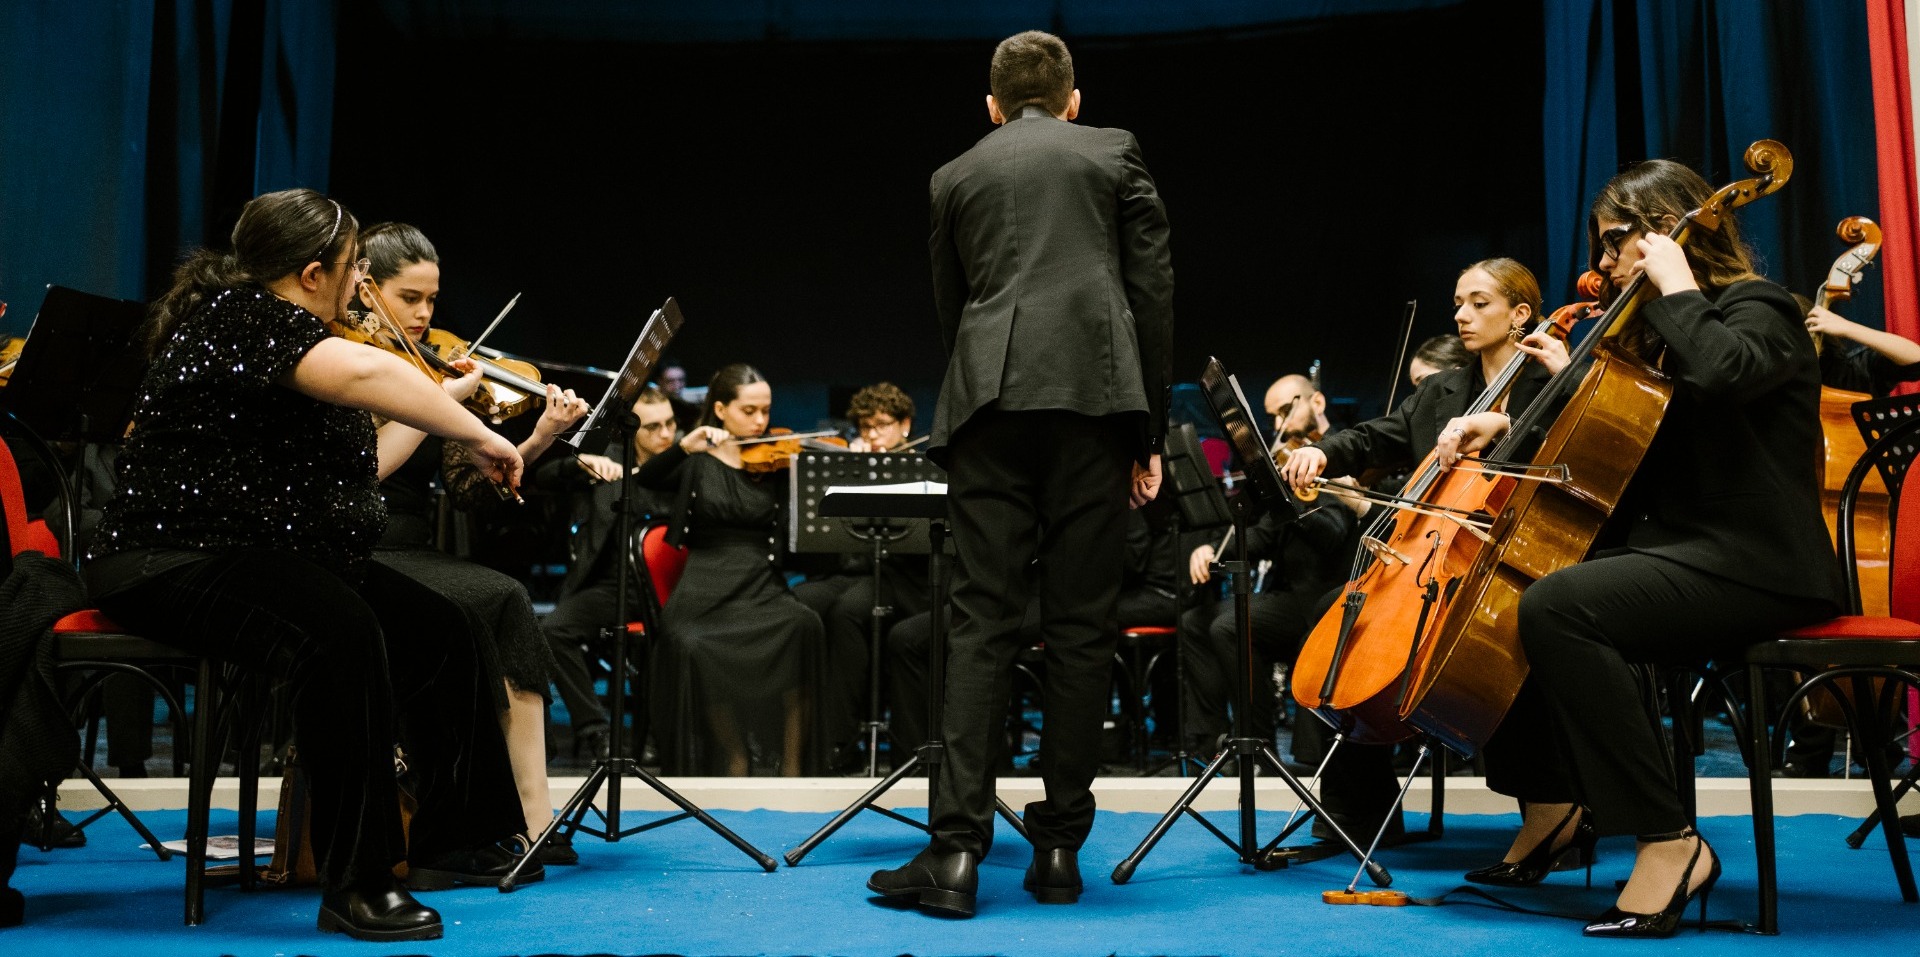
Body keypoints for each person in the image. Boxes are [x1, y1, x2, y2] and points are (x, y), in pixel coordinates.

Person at [82, 189, 532, 942]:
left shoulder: (301, 337)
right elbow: (364, 379)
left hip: (261, 552)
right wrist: (477, 429)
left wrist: (437, 412)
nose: (363, 287)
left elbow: (364, 473)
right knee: (339, 632)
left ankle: (455, 840)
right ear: (315, 272)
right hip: (167, 558)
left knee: (437, 625)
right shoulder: (243, 318)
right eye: (358, 269)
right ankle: (356, 882)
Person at [1427, 160, 1837, 938]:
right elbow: (1617, 457)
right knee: (1517, 596)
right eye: (1604, 245)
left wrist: (1678, 284)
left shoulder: (1759, 308)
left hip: (1760, 565)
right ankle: (1558, 804)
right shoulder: (1652, 339)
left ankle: (1669, 840)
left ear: (1679, 227)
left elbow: (1725, 372)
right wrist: (1515, 428)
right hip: (1687, 554)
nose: (1605, 264)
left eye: (1618, 242)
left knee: (1560, 606)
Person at [867, 29, 1172, 917]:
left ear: (991, 106)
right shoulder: (1115, 151)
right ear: (1074, 99)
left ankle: (956, 856)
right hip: (1095, 404)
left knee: (978, 626)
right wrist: (1145, 429)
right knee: (1082, 629)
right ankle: (1060, 853)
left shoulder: (954, 173)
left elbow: (950, 306)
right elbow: (1152, 292)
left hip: (989, 406)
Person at [1281, 258, 1568, 845]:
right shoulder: (1442, 389)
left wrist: (1508, 422)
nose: (1462, 314)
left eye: (1479, 303)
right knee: (1341, 614)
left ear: (1520, 314)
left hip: (1514, 558)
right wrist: (1323, 454)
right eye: (1458, 303)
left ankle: (1553, 810)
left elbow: (1564, 459)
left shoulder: (1552, 381)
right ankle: (1355, 809)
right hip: (1435, 558)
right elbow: (1373, 437)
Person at [355, 222, 601, 864]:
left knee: (507, 598)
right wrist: (433, 398)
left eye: (432, 300)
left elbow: (475, 486)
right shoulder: (347, 360)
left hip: (410, 545)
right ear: (366, 289)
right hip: (356, 543)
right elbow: (361, 472)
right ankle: (483, 812)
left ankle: (532, 815)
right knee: (487, 598)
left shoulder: (429, 366)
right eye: (409, 298)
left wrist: (542, 435)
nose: (426, 315)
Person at [634, 364, 823, 776]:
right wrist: (684, 446)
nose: (760, 422)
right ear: (720, 409)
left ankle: (792, 770)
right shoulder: (697, 457)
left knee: (804, 626)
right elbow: (646, 478)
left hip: (760, 579)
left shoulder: (776, 460)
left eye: (765, 411)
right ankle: (733, 756)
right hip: (706, 579)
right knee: (691, 643)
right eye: (749, 411)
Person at [1179, 374, 1365, 763]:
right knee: (1195, 621)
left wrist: (1290, 500)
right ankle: (1209, 740)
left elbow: (1332, 535)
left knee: (1228, 624)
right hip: (1291, 597)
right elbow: (1261, 534)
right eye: (1273, 418)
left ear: (1316, 403)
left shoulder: (1346, 453)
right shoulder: (1290, 460)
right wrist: (1216, 550)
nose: (1279, 427)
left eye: (1285, 412)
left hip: (1329, 597)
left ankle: (1256, 741)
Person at [794, 382, 932, 773]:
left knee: (862, 614)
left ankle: (882, 745)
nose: (873, 435)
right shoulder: (850, 466)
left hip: (919, 579)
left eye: (883, 425)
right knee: (846, 610)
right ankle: (841, 740)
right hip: (881, 574)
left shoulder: (922, 466)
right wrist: (851, 475)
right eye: (865, 427)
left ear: (905, 424)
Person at [536, 386, 678, 762]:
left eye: (671, 424)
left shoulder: (683, 465)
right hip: (612, 587)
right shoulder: (611, 460)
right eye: (654, 427)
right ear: (631, 430)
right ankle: (596, 731)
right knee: (553, 630)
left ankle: (660, 735)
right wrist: (577, 464)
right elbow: (543, 477)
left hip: (673, 589)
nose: (666, 434)